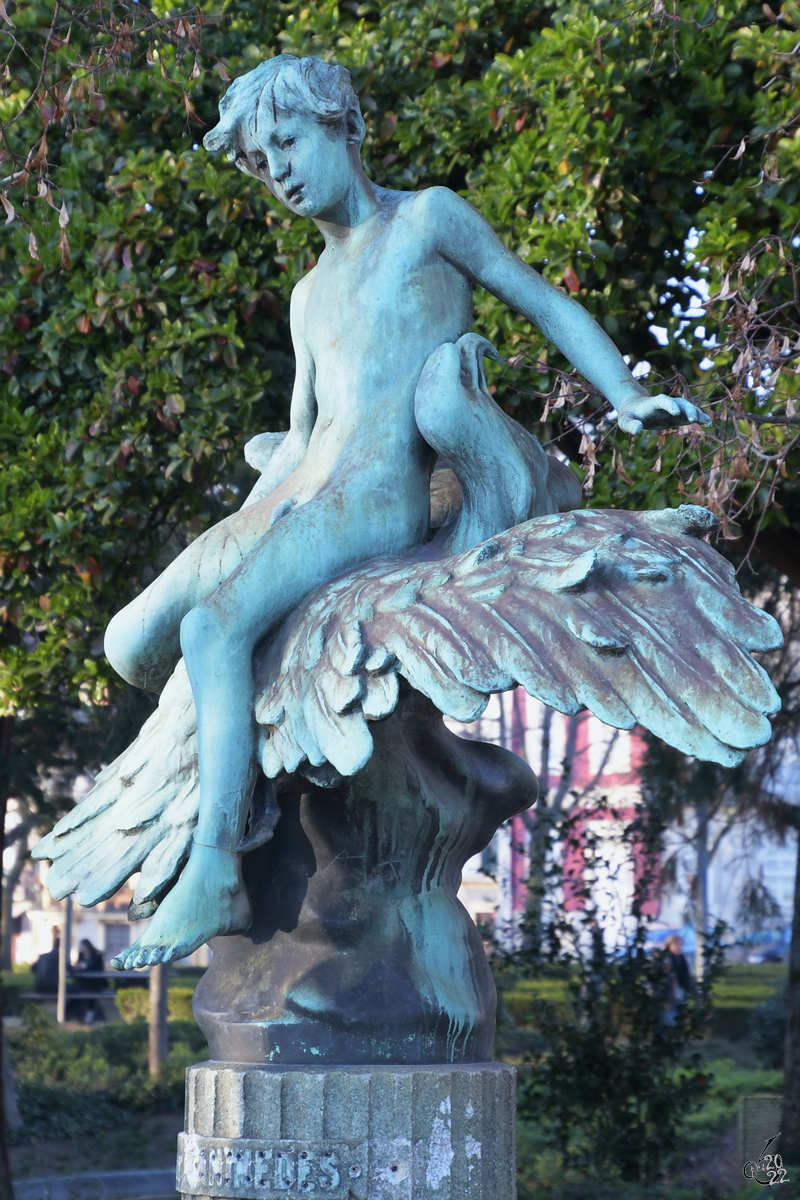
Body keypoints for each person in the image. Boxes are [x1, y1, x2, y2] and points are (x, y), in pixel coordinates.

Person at [106, 55, 710, 969]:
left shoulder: (427, 220)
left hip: (374, 498)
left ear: (342, 125)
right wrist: (244, 533)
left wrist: (624, 397)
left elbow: (541, 299)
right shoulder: (309, 296)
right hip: (296, 494)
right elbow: (303, 429)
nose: (280, 170)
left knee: (213, 630)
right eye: (262, 161)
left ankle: (217, 868)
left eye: (288, 142)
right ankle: (246, 784)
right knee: (129, 643)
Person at [70, 938, 108, 1023]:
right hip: (82, 983)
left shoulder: (97, 957)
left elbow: (99, 970)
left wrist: (87, 968)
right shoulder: (81, 956)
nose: (83, 950)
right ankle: (73, 1016)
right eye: (81, 948)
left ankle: (90, 1014)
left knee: (90, 993)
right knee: (74, 993)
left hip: (94, 983)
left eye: (84, 947)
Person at [661, 933, 693, 1025]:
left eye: (681, 944)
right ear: (669, 945)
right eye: (676, 944)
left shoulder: (683, 960)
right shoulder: (664, 960)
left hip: (680, 999)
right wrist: (662, 1001)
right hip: (667, 1001)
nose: (679, 947)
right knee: (668, 1026)